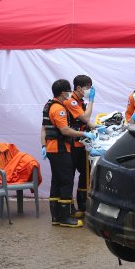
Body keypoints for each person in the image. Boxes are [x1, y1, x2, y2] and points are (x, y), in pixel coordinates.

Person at [42, 79, 90, 227]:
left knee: (56, 181)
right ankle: (65, 217)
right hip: (60, 149)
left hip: (52, 148)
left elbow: (44, 128)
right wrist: (84, 134)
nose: (70, 94)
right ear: (63, 93)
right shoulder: (59, 109)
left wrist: (43, 145)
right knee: (66, 181)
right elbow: (65, 130)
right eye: (68, 91)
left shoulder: (49, 105)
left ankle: (56, 217)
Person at [66, 75, 98, 219]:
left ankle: (83, 205)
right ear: (79, 88)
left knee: (86, 173)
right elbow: (85, 118)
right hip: (73, 144)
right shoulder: (71, 101)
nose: (89, 90)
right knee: (70, 175)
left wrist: (100, 127)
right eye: (87, 87)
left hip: (82, 143)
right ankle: (69, 208)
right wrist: (91, 100)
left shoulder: (79, 101)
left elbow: (87, 122)